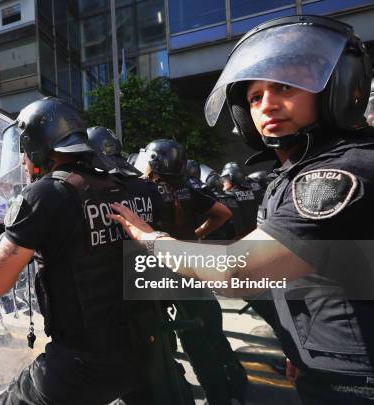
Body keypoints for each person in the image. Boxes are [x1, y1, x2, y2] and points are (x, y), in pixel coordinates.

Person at [109, 15, 374, 404]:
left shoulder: (339, 172)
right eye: (254, 97)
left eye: (286, 85)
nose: (268, 104)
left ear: (337, 86)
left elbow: (237, 271)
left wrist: (151, 240)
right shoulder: (299, 168)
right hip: (330, 363)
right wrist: (301, 348)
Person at [0, 97, 193, 404]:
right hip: (143, 345)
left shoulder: (44, 194)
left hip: (83, 360)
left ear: (35, 146)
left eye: (23, 152)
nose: (23, 162)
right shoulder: (124, 186)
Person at [139, 139, 247, 405]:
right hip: (194, 269)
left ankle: (217, 397)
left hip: (166, 274)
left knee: (189, 343)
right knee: (210, 330)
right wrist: (197, 235)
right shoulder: (187, 188)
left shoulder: (144, 191)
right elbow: (223, 213)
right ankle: (236, 383)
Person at [220, 161, 263, 238]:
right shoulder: (255, 192)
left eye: (225, 178)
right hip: (257, 233)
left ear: (232, 178)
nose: (223, 182)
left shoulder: (229, 196)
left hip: (240, 238)